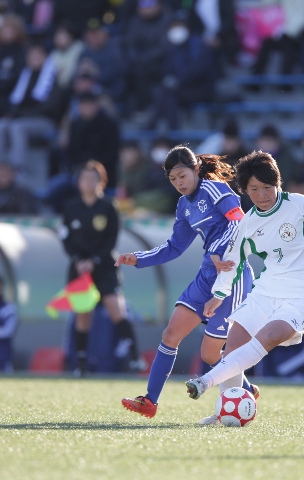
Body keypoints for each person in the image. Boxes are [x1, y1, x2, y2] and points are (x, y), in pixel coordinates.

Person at [184, 151, 304, 408]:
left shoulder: (302, 205)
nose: (262, 195)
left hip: (303, 297)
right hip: (265, 293)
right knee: (232, 348)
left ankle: (204, 382)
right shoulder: (246, 224)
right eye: (254, 189)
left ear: (278, 183)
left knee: (270, 335)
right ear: (246, 191)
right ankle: (225, 411)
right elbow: (232, 262)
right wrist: (219, 294)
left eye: (267, 187)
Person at [114, 146, 256, 421]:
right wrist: (138, 258)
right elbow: (174, 247)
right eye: (173, 179)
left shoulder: (216, 189)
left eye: (182, 175)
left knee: (211, 353)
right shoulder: (183, 205)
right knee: (170, 335)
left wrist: (216, 251)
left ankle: (245, 391)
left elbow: (239, 221)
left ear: (195, 169)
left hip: (232, 276)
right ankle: (149, 402)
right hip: (206, 276)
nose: (179, 183)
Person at [60, 161, 143, 376]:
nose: (88, 182)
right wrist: (79, 259)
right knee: (82, 315)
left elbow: (111, 239)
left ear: (101, 182)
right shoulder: (71, 208)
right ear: (78, 183)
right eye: (84, 178)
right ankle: (81, 363)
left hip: (104, 266)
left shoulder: (108, 208)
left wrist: (94, 260)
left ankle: (134, 357)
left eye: (93, 178)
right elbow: (66, 239)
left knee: (116, 308)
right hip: (79, 269)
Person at [0, 42, 61, 169]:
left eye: (38, 55)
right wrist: (13, 114)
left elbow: (51, 107)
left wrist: (23, 115)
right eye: (31, 55)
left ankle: (16, 168)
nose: (34, 58)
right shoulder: (24, 76)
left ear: (45, 57)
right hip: (22, 118)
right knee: (0, 125)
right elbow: (14, 102)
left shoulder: (52, 77)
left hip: (45, 120)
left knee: (17, 127)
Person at [147, 13, 216, 130]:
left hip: (200, 88)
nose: (176, 29)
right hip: (181, 88)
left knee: (167, 95)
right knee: (162, 92)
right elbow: (167, 68)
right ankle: (160, 129)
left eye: (179, 26)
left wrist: (178, 80)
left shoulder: (198, 44)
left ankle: (167, 132)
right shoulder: (172, 46)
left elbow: (198, 70)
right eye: (173, 26)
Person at [122, 0, 171, 114]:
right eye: (143, 5)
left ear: (159, 5)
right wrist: (136, 58)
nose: (146, 8)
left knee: (142, 71)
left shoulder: (167, 20)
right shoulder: (135, 21)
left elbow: (164, 47)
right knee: (124, 69)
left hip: (160, 63)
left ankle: (144, 108)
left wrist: (143, 59)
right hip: (137, 62)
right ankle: (130, 109)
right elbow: (130, 44)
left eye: (150, 4)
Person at [66, 90, 120, 191]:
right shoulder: (75, 125)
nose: (87, 108)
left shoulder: (109, 125)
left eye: (90, 104)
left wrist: (92, 165)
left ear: (97, 105)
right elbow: (71, 152)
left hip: (104, 172)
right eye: (84, 105)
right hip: (78, 170)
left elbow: (112, 153)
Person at [78, 18, 125, 102]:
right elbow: (77, 74)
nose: (94, 37)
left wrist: (93, 74)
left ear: (105, 33)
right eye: (91, 34)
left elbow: (114, 73)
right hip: (87, 90)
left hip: (110, 91)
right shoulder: (85, 52)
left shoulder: (114, 48)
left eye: (97, 33)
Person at [256, 124, 297, 190]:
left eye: (269, 140)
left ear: (278, 142)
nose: (267, 144)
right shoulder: (252, 160)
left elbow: (286, 182)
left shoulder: (287, 160)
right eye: (264, 140)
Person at [49, 22, 85, 90]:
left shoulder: (78, 48)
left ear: (71, 36)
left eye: (62, 35)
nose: (58, 38)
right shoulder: (54, 53)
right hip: (57, 89)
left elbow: (65, 79)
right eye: (57, 35)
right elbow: (50, 76)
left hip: (72, 88)